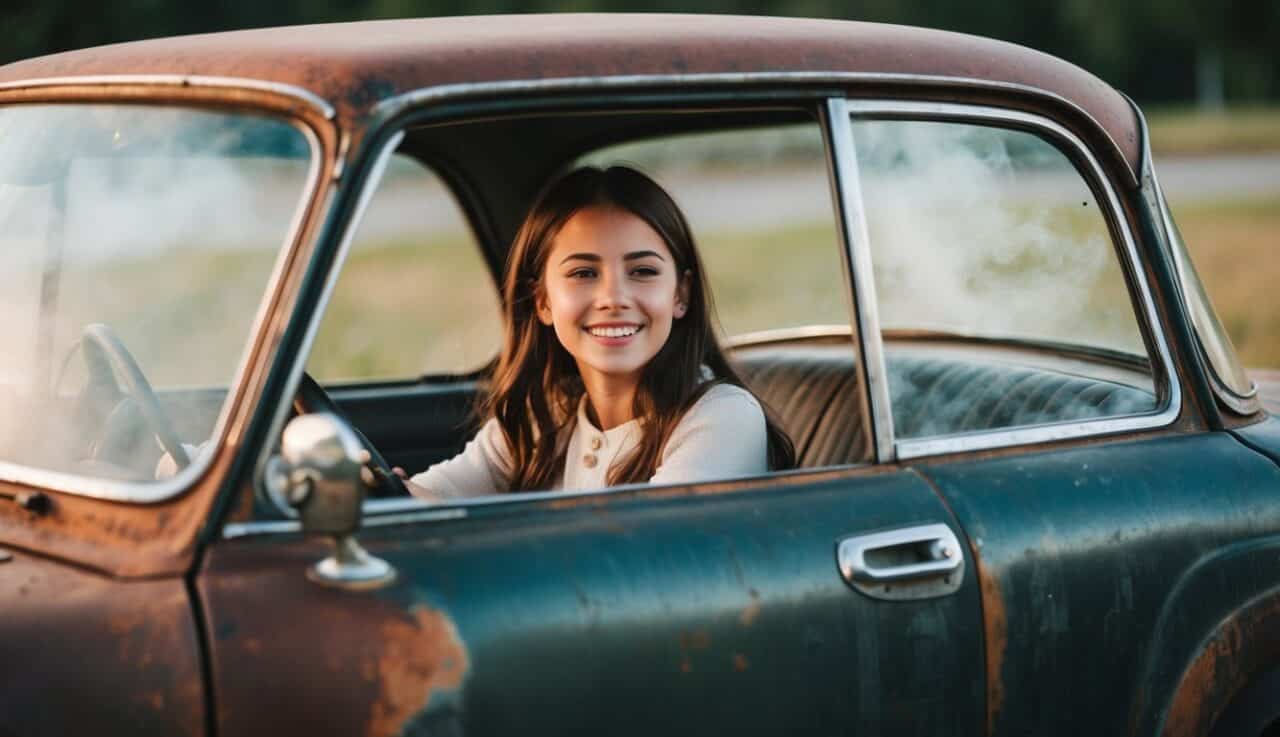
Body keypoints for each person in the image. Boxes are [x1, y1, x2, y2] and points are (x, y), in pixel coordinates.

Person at [403, 165, 793, 500]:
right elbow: (427, 499)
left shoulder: (722, 417)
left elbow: (635, 556)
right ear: (542, 301)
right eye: (583, 273)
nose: (613, 298)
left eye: (642, 271)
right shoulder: (545, 418)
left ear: (680, 295)